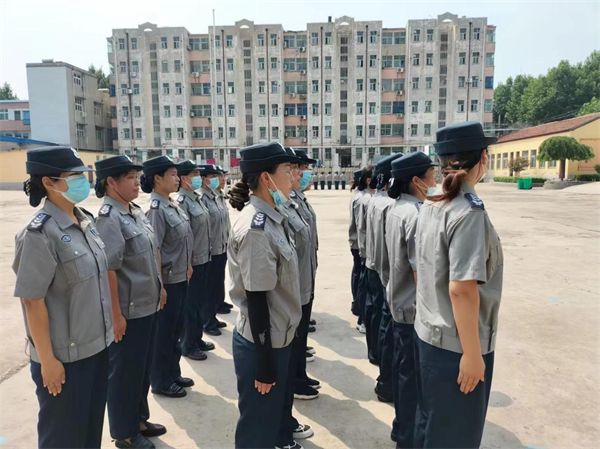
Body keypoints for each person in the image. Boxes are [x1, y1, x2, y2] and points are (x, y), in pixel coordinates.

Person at [14, 146, 113, 448]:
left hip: (96, 348)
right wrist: (47, 360)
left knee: (89, 433)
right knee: (63, 438)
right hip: (64, 360)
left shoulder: (85, 222)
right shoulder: (39, 234)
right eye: (73, 176)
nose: (82, 181)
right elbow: (32, 301)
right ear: (49, 182)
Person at [414, 122, 503, 448]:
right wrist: (473, 355)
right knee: (455, 437)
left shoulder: (433, 202)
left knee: (431, 427)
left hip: (430, 336)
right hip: (456, 347)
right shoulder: (468, 211)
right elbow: (462, 289)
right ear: (482, 158)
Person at [227, 142, 302, 449]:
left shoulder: (273, 217)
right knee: (257, 431)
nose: (293, 177)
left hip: (278, 337)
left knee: (268, 423)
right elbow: (257, 298)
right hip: (263, 342)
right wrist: (265, 361)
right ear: (266, 178)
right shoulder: (256, 228)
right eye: (287, 170)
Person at [94, 156, 166, 449]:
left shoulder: (134, 211)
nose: (137, 183)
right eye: (130, 178)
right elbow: (109, 270)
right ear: (111, 182)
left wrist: (160, 288)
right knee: (125, 374)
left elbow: (152, 251)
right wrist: (116, 315)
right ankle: (124, 432)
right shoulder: (108, 218)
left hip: (148, 304)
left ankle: (139, 420)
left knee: (142, 369)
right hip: (129, 311)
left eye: (137, 177)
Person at [385, 152, 438, 447]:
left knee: (402, 370)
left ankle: (400, 427)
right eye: (432, 176)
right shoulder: (417, 214)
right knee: (413, 382)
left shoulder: (397, 208)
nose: (436, 180)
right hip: (413, 310)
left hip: (398, 303)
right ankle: (407, 438)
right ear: (417, 181)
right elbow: (421, 273)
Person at [142, 156, 194, 399]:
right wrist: (160, 286)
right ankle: (161, 381)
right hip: (168, 281)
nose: (177, 178)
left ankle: (173, 373)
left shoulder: (172, 204)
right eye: (172, 174)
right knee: (164, 333)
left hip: (181, 277)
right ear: (157, 178)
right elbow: (155, 249)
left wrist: (188, 265)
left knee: (176, 330)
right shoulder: (155, 210)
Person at [364, 152, 403, 403]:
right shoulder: (390, 205)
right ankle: (385, 375)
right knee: (387, 326)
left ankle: (375, 354)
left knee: (375, 315)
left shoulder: (375, 200)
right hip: (386, 272)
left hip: (374, 264)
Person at [175, 161, 215, 362]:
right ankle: (188, 344)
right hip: (193, 262)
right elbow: (184, 236)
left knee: (199, 302)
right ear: (184, 178)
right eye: (195, 174)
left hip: (204, 258)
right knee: (190, 306)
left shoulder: (196, 198)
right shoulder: (182, 202)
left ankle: (197, 338)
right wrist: (188, 263)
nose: (198, 177)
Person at [290, 149, 319, 340]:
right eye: (304, 168)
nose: (306, 173)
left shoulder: (300, 198)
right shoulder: (291, 201)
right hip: (299, 263)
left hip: (308, 258)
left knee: (307, 296)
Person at [199, 164, 229, 336]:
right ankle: (208, 322)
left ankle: (213, 317)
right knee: (208, 289)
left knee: (216, 284)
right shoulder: (202, 198)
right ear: (204, 179)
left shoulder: (215, 196)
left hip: (220, 247)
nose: (218, 179)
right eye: (214, 177)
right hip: (210, 250)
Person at [354, 166, 374, 336]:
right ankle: (362, 318)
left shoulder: (370, 198)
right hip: (366, 250)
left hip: (366, 249)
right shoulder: (365, 199)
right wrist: (364, 251)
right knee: (364, 284)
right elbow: (361, 227)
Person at [215, 165, 234, 313]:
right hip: (211, 248)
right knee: (211, 282)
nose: (223, 179)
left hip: (222, 244)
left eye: (223, 176)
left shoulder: (219, 196)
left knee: (220, 276)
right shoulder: (204, 198)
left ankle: (219, 301)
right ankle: (213, 307)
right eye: (220, 176)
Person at [348, 169, 364, 331]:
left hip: (358, 244)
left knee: (357, 274)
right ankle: (358, 306)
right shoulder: (361, 198)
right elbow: (360, 226)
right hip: (360, 245)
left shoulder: (359, 195)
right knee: (360, 277)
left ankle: (356, 303)